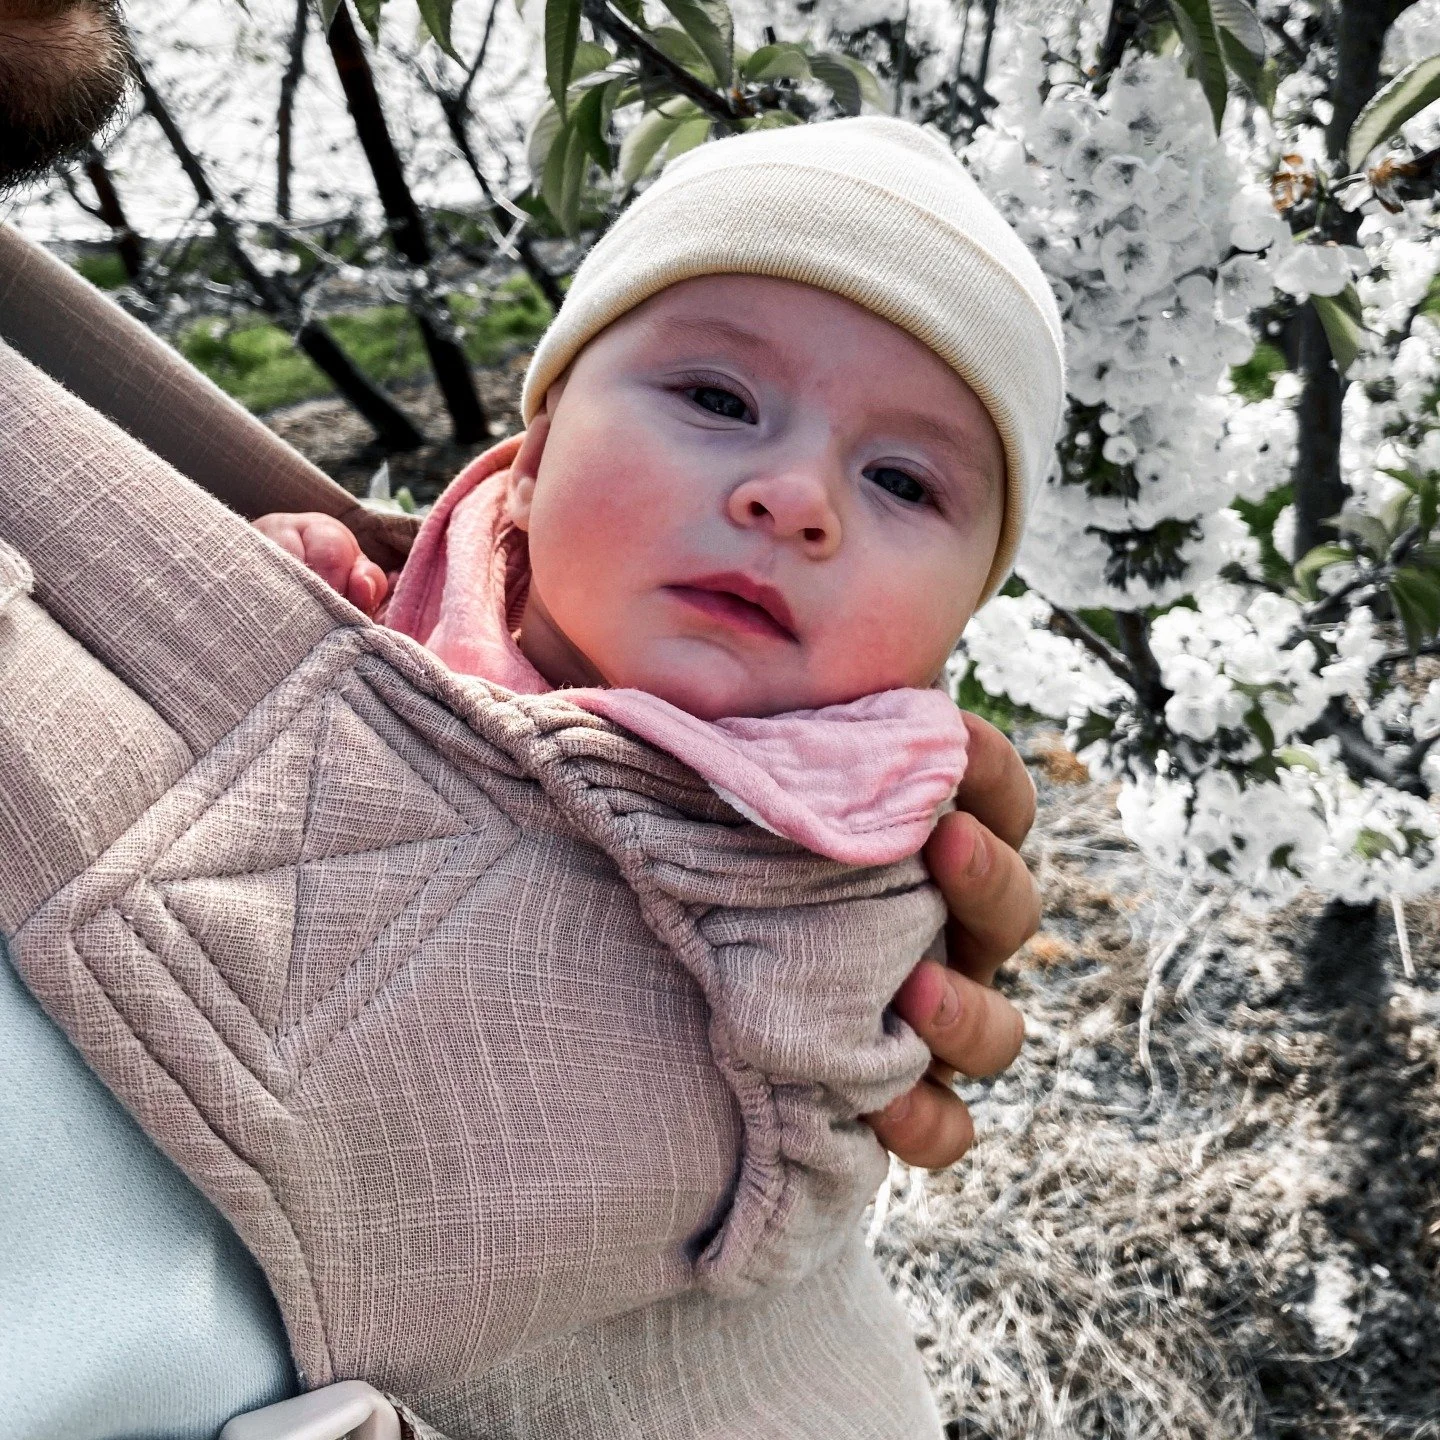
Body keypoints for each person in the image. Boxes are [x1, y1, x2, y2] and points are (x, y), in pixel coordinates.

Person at [0, 12, 1043, 1436]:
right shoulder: (401, 614)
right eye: (717, 397)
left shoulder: (851, 824)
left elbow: (806, 1138)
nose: (796, 496)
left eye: (908, 486)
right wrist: (316, 597)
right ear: (534, 458)